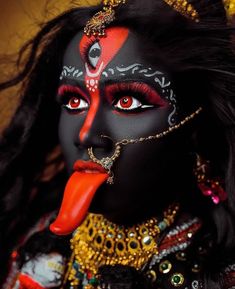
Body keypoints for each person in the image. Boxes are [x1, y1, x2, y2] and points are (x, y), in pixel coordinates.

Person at [0, 0, 235, 288]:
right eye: (74, 101)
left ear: (195, 125)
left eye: (128, 101)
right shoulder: (38, 239)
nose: (86, 134)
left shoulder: (215, 270)